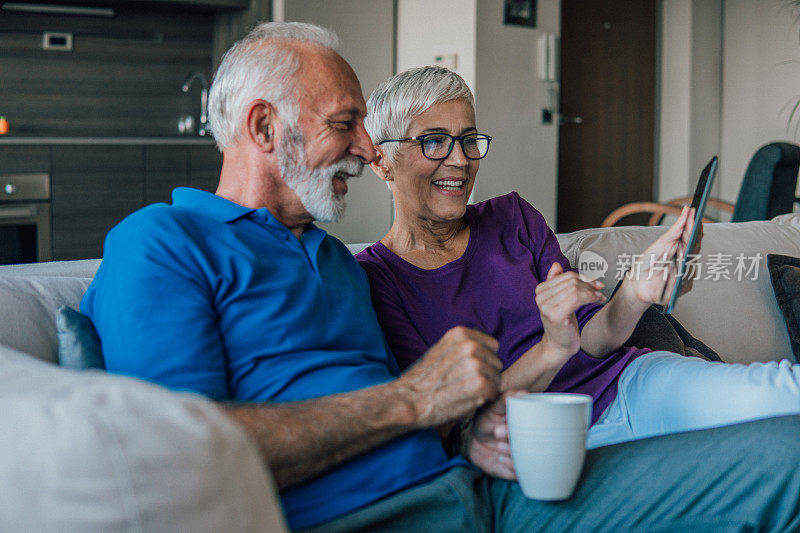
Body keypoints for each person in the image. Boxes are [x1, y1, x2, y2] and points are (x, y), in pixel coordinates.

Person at [80, 21, 800, 532]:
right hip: (384, 514)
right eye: (347, 122)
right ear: (265, 129)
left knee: (785, 451)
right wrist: (414, 401)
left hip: (491, 488)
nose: (367, 147)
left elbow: (448, 411)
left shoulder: (334, 263)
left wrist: (468, 433)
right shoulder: (161, 243)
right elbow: (175, 453)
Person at [355, 65, 800, 450]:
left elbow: (595, 336)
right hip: (535, 438)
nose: (459, 160)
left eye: (469, 140)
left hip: (628, 385)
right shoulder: (373, 279)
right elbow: (452, 423)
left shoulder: (512, 217)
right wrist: (552, 349)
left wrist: (636, 292)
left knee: (780, 393)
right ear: (381, 161)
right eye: (434, 141)